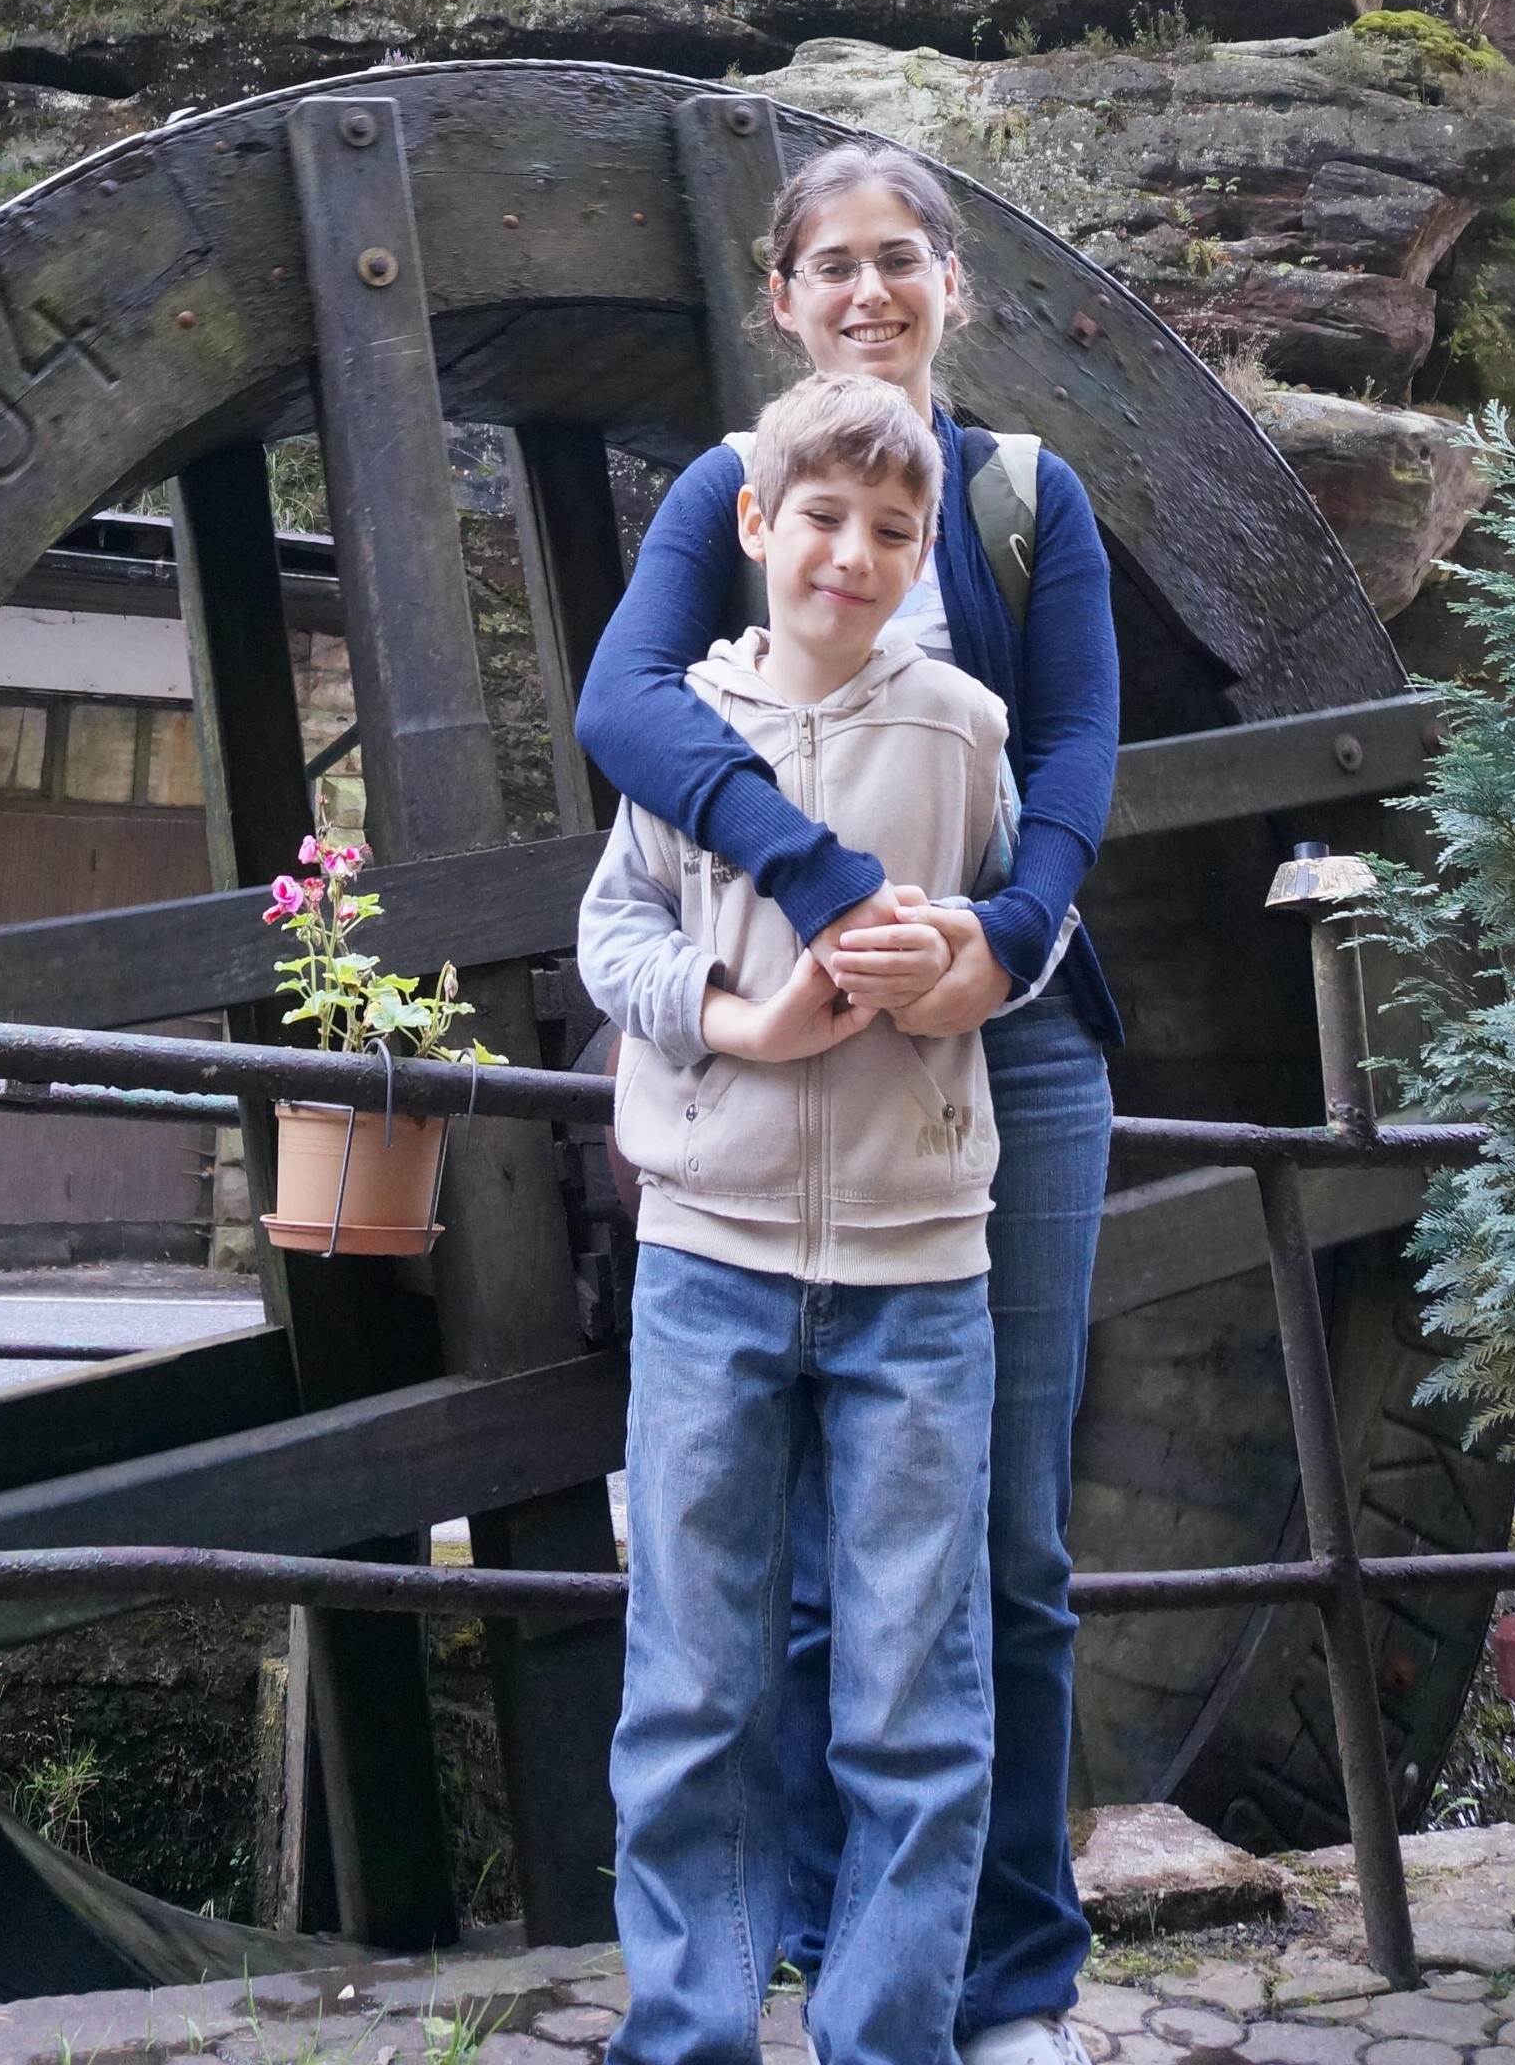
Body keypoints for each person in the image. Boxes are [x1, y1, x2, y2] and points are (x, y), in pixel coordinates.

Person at [576, 143, 1121, 2065]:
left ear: (954, 285)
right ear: (783, 297)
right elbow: (630, 715)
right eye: (832, 264)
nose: (870, 290)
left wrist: (998, 950)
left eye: (903, 259)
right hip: (775, 1061)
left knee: (1002, 1553)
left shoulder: (1021, 498)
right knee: (789, 1589)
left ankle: (1003, 1981)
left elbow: (1072, 769)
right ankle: (802, 1955)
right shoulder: (734, 488)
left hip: (997, 1049)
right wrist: (807, 911)